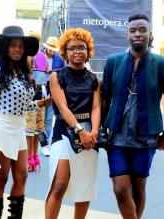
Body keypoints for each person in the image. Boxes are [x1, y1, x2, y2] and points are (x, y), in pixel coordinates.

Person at [101, 14, 164, 219]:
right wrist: (101, 128)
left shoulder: (161, 63)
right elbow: (104, 97)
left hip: (146, 138)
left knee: (139, 187)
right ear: (127, 34)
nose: (137, 34)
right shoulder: (113, 61)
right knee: (120, 189)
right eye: (133, 30)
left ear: (150, 34)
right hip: (116, 136)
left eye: (142, 30)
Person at [0, 25, 51, 218]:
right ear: (5, 48)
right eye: (13, 45)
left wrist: (42, 103)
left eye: (20, 46)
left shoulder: (22, 72)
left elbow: (24, 106)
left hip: (18, 127)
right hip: (1, 126)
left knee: (22, 176)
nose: (18, 49)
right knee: (1, 177)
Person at [45, 28, 101, 219]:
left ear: (88, 51)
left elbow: (95, 108)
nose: (77, 51)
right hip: (63, 133)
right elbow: (62, 107)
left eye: (82, 48)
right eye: (72, 48)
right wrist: (80, 131)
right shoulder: (57, 76)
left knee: (84, 187)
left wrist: (93, 131)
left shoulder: (94, 79)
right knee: (59, 184)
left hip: (89, 136)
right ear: (65, 51)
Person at [25, 31, 49, 172]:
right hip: (41, 92)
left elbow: (27, 74)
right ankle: (35, 157)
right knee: (38, 128)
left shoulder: (27, 56)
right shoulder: (42, 56)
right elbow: (47, 71)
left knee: (29, 129)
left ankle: (29, 159)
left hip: (30, 93)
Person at [41, 36, 65, 156]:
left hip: (52, 91)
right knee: (38, 121)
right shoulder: (38, 56)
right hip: (39, 91)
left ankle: (46, 144)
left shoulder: (59, 59)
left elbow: (62, 73)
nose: (51, 51)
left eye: (53, 49)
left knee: (49, 119)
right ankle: (42, 143)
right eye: (49, 48)